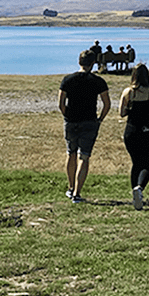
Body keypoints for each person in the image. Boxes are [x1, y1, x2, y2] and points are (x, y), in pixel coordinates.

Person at [59, 49, 111, 203]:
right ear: (93, 63)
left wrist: (67, 115)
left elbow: (61, 103)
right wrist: (100, 119)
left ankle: (70, 187)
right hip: (89, 121)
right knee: (84, 156)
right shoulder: (98, 81)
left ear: (79, 62)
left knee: (71, 153)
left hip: (71, 121)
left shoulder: (68, 80)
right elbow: (107, 104)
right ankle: (77, 193)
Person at [119, 63, 149, 210]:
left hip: (131, 131)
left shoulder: (128, 92)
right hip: (148, 130)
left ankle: (135, 193)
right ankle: (140, 188)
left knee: (136, 163)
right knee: (147, 162)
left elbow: (122, 113)